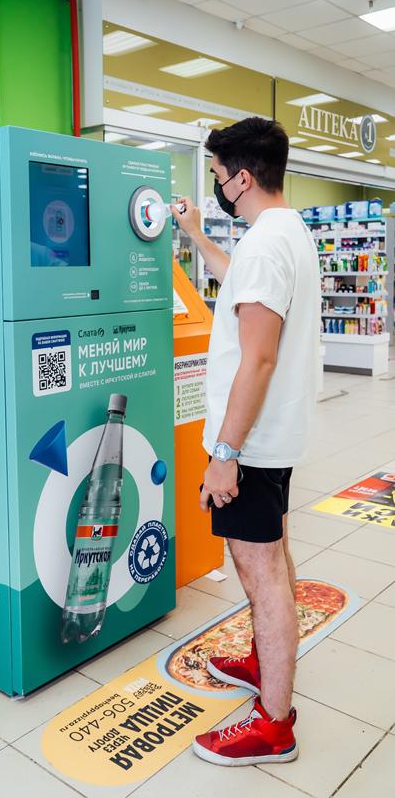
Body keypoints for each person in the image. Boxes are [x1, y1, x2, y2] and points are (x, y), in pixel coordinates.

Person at [171, 117, 320, 767]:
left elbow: (257, 359)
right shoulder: (287, 232)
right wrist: (197, 236)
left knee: (261, 579)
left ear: (240, 177)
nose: (215, 185)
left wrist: (225, 456)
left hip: (251, 447)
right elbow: (246, 288)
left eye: (216, 175)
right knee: (275, 560)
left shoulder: (264, 245)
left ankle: (274, 725)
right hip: (276, 437)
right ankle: (265, 663)